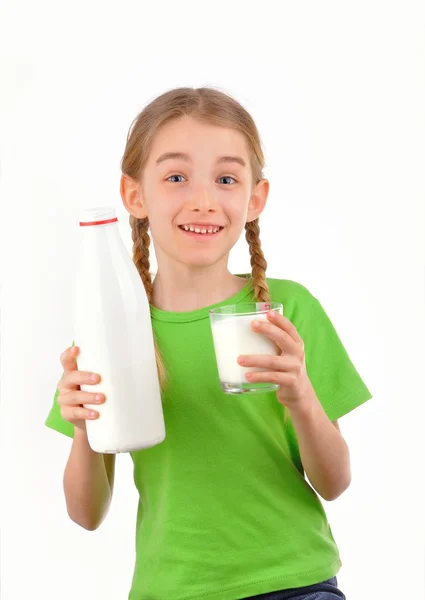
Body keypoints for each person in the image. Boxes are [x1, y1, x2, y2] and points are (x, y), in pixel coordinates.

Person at [45, 87, 372, 600]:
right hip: (170, 589)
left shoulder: (286, 311)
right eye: (176, 177)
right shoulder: (109, 328)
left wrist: (302, 396)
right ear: (135, 195)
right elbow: (85, 515)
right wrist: (84, 428)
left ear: (255, 198)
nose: (203, 200)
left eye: (225, 178)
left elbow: (334, 482)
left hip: (296, 583)